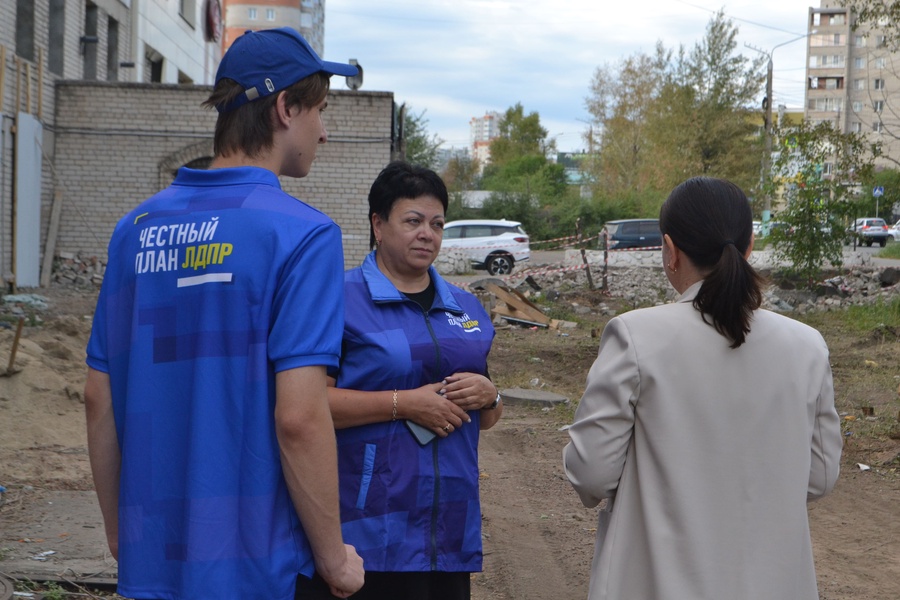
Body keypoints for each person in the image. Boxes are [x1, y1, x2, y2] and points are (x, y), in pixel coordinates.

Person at [84, 28, 364, 600]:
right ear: (286, 107)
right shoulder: (302, 236)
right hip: (258, 570)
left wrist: (122, 536)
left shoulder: (133, 230)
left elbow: (98, 397)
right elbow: (300, 418)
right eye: (321, 111)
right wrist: (335, 562)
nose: (325, 132)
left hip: (153, 566)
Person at [563, 177, 843, 600]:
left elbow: (591, 472)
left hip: (653, 581)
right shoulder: (806, 345)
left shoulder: (635, 336)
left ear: (670, 251)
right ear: (749, 246)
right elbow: (820, 477)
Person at [322, 161, 502, 600]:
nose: (428, 233)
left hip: (449, 527)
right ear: (378, 225)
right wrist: (403, 403)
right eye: (413, 221)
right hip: (369, 524)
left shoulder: (465, 306)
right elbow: (305, 406)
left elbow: (490, 416)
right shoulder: (338, 300)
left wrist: (490, 395)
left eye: (437, 223)